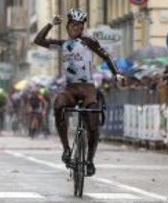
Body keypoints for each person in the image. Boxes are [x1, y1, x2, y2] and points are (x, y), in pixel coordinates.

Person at [34, 8, 125, 176]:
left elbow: (106, 56)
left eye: (80, 25)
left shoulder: (88, 41)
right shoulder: (62, 44)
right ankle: (66, 149)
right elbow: (38, 40)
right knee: (59, 104)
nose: (76, 28)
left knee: (92, 123)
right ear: (68, 26)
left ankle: (89, 160)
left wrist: (117, 73)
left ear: (83, 27)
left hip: (88, 88)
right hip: (70, 89)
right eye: (74, 25)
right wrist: (50, 24)